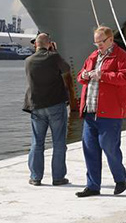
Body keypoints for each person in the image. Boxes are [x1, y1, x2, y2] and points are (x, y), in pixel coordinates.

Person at [76, 26, 126, 198]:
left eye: (101, 42)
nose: (98, 45)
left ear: (110, 39)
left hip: (109, 113)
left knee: (110, 147)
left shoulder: (121, 56)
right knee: (90, 150)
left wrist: (103, 75)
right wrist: (84, 75)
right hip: (90, 111)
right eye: (96, 42)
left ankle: (120, 179)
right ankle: (93, 186)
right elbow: (80, 76)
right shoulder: (93, 56)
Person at [23, 33, 73, 186]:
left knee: (37, 143)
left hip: (36, 106)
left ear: (35, 45)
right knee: (59, 142)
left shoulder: (28, 61)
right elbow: (66, 68)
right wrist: (55, 52)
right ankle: (58, 177)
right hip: (55, 104)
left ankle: (35, 177)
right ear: (49, 44)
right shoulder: (53, 57)